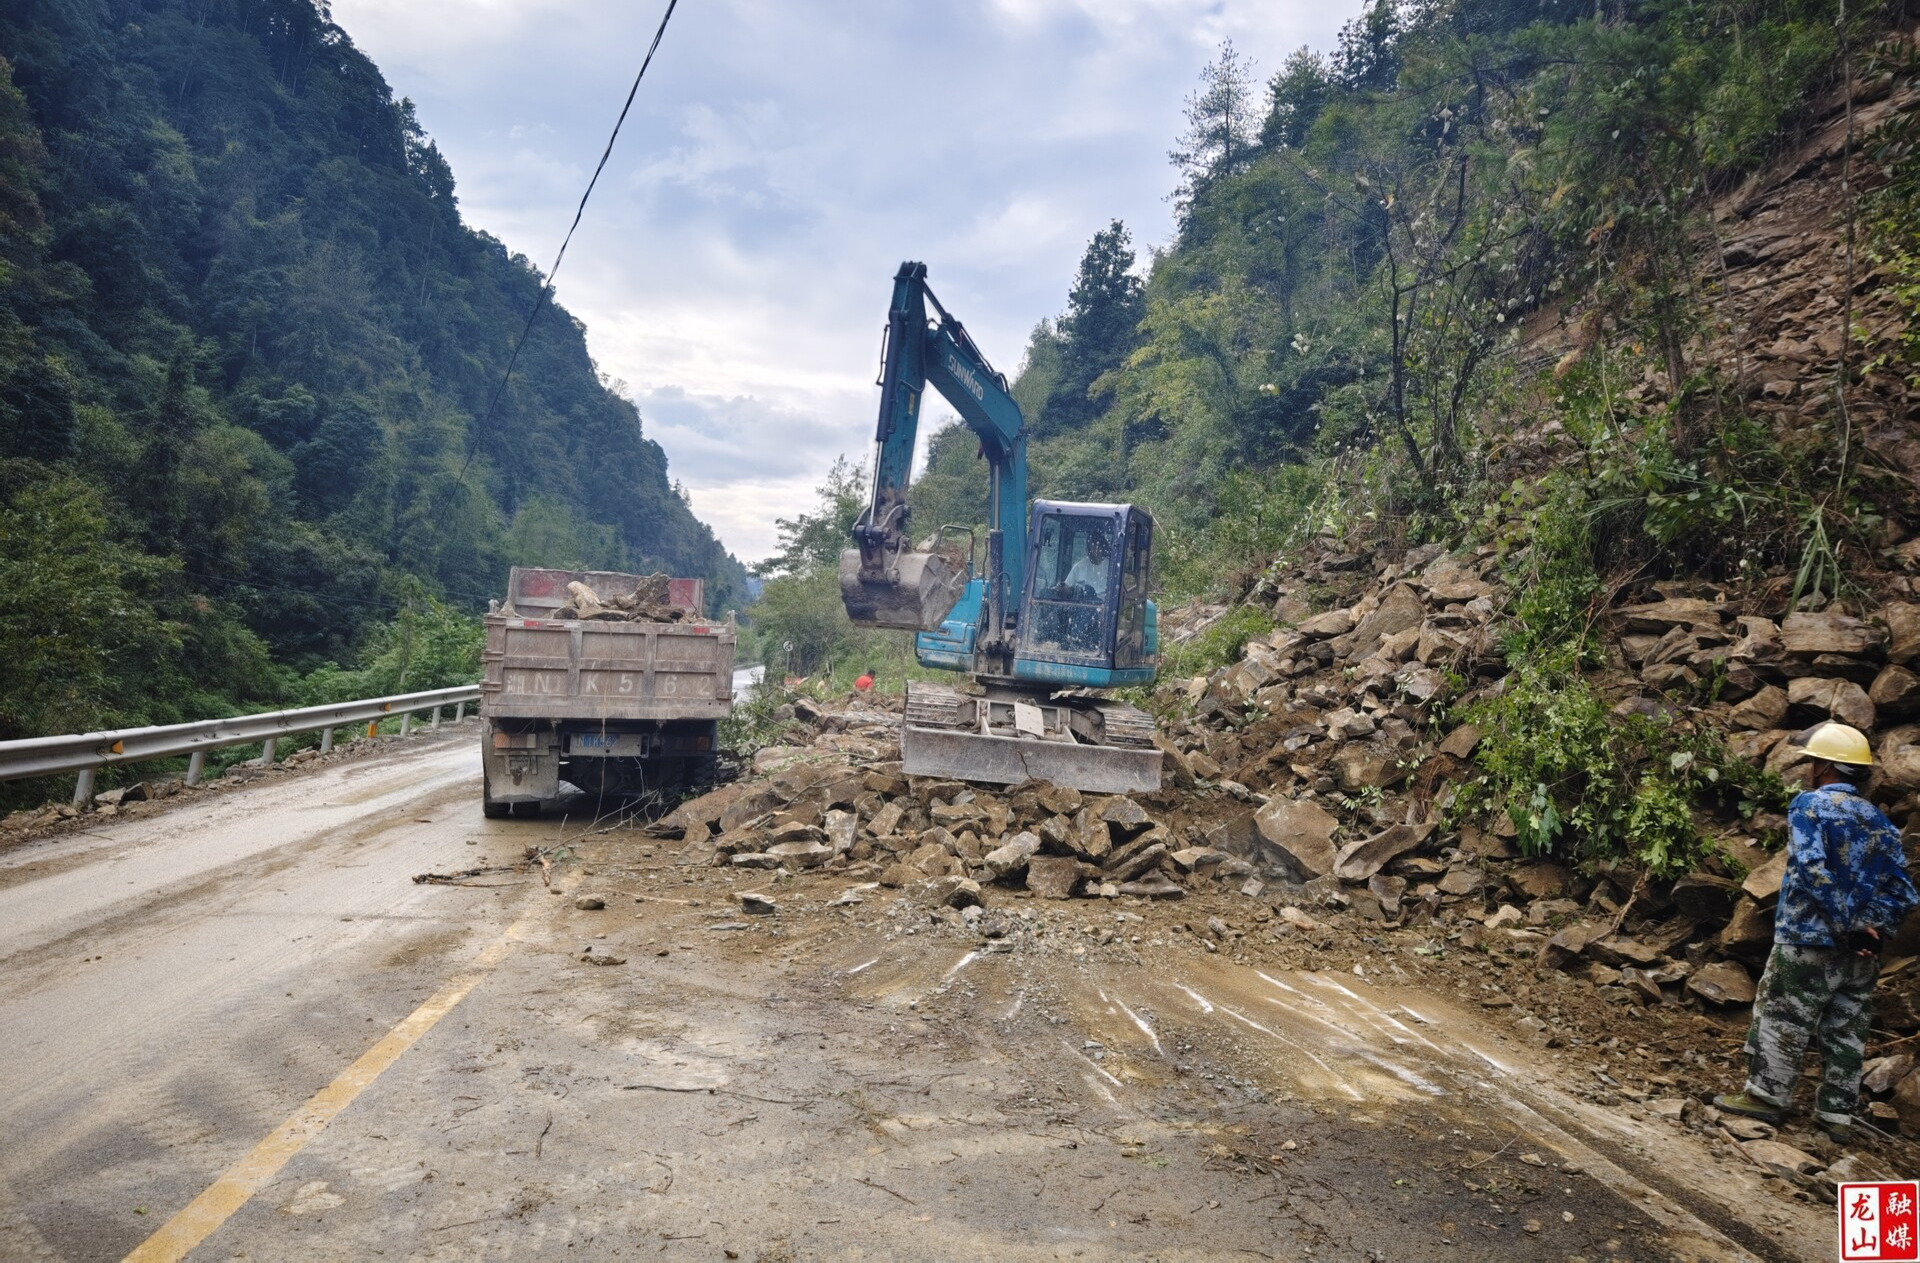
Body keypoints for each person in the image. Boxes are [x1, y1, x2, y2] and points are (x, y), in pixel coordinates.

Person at [1714, 721, 1918, 1144]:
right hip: (1863, 952)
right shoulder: (1880, 822)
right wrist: (1869, 929)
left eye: (1813, 763)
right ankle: (1835, 1116)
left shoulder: (1810, 806)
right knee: (1846, 1028)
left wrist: (1844, 926)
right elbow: (1904, 891)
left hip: (1809, 939)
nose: (1809, 771)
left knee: (1783, 1014)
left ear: (1824, 768)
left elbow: (1810, 868)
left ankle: (1767, 1098)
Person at [1064, 532, 1110, 596]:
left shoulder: (1111, 567)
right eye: (1093, 545)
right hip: (1085, 604)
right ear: (1089, 547)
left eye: (1098, 544)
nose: (1096, 548)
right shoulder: (1079, 567)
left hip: (1108, 604)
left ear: (1103, 546)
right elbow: (1067, 588)